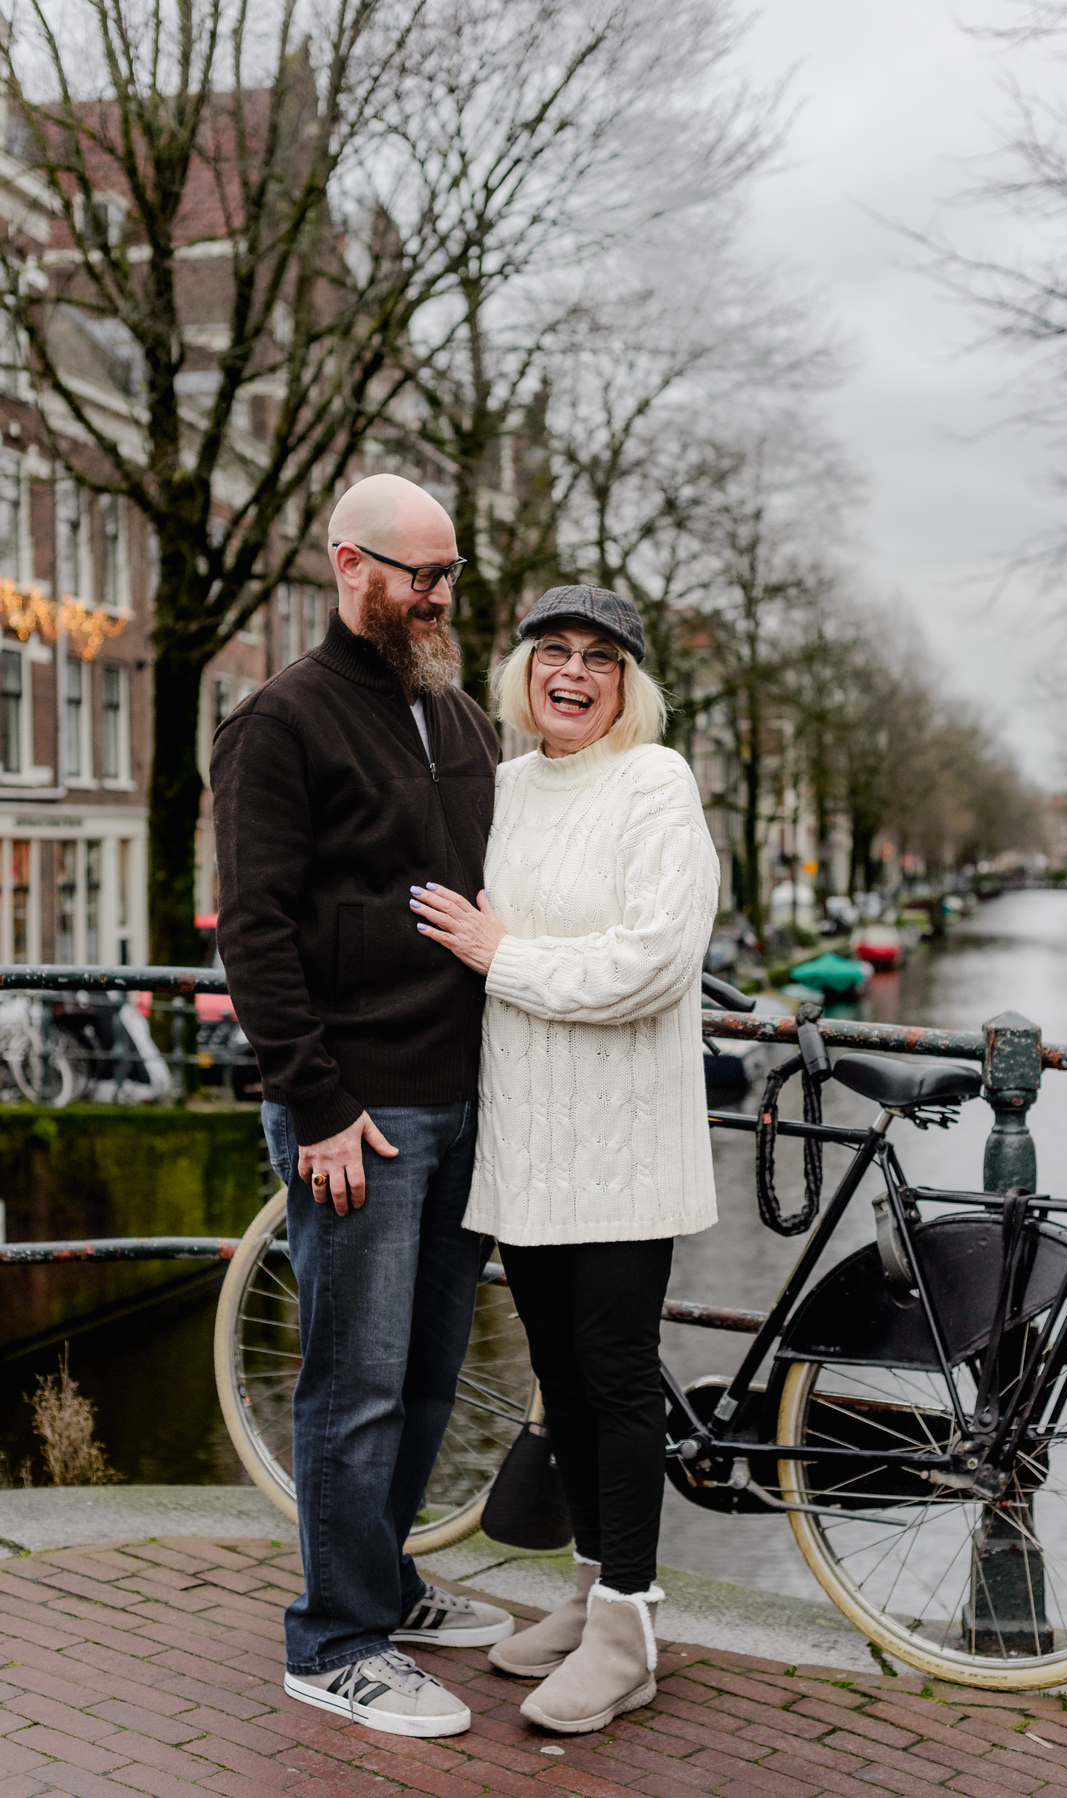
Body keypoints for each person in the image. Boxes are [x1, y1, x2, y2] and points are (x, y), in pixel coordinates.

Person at [211, 473, 514, 1740]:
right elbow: (257, 932)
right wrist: (318, 1104)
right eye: (418, 574)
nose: (439, 596)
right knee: (353, 1380)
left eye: (450, 575)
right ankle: (331, 1640)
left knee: (432, 1375)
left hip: (464, 1105)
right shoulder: (279, 720)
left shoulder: (452, 710)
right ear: (350, 565)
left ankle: (379, 1582)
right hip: (361, 1118)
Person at [408, 584, 720, 1735]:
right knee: (562, 1378)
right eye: (554, 653)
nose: (574, 673)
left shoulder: (658, 782)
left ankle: (632, 1627)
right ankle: (592, 1587)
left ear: (630, 684)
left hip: (624, 1143)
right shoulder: (507, 786)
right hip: (529, 1142)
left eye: (600, 658)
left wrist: (503, 954)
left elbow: (652, 962)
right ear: (524, 671)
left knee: (618, 1372)